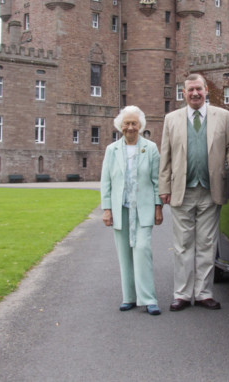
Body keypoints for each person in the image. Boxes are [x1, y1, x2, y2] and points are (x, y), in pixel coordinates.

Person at [159, 74, 229, 311]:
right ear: (184, 93)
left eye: (199, 89)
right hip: (181, 191)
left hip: (210, 189)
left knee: (207, 244)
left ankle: (204, 293)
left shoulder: (222, 116)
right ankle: (183, 294)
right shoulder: (171, 119)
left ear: (206, 90)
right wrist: (163, 188)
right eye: (190, 90)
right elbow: (165, 156)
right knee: (183, 245)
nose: (195, 93)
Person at [101, 105, 163, 315]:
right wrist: (107, 209)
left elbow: (157, 181)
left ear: (140, 126)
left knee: (142, 250)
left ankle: (148, 298)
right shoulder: (112, 150)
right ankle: (129, 297)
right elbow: (106, 182)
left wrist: (158, 207)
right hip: (121, 209)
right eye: (126, 123)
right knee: (124, 253)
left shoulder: (151, 148)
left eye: (134, 123)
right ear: (120, 126)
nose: (130, 127)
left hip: (143, 208)